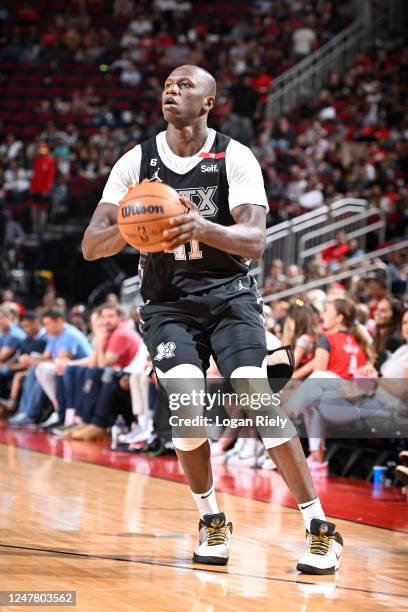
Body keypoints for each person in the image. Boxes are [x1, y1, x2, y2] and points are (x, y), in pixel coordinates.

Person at [81, 64, 343, 574]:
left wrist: (200, 224)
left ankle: (319, 527)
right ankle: (212, 520)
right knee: (185, 407)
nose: (171, 91)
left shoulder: (234, 156)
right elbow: (92, 244)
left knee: (254, 394)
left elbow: (256, 241)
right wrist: (139, 223)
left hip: (229, 296)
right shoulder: (136, 162)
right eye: (166, 86)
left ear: (208, 103)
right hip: (167, 302)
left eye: (184, 86)